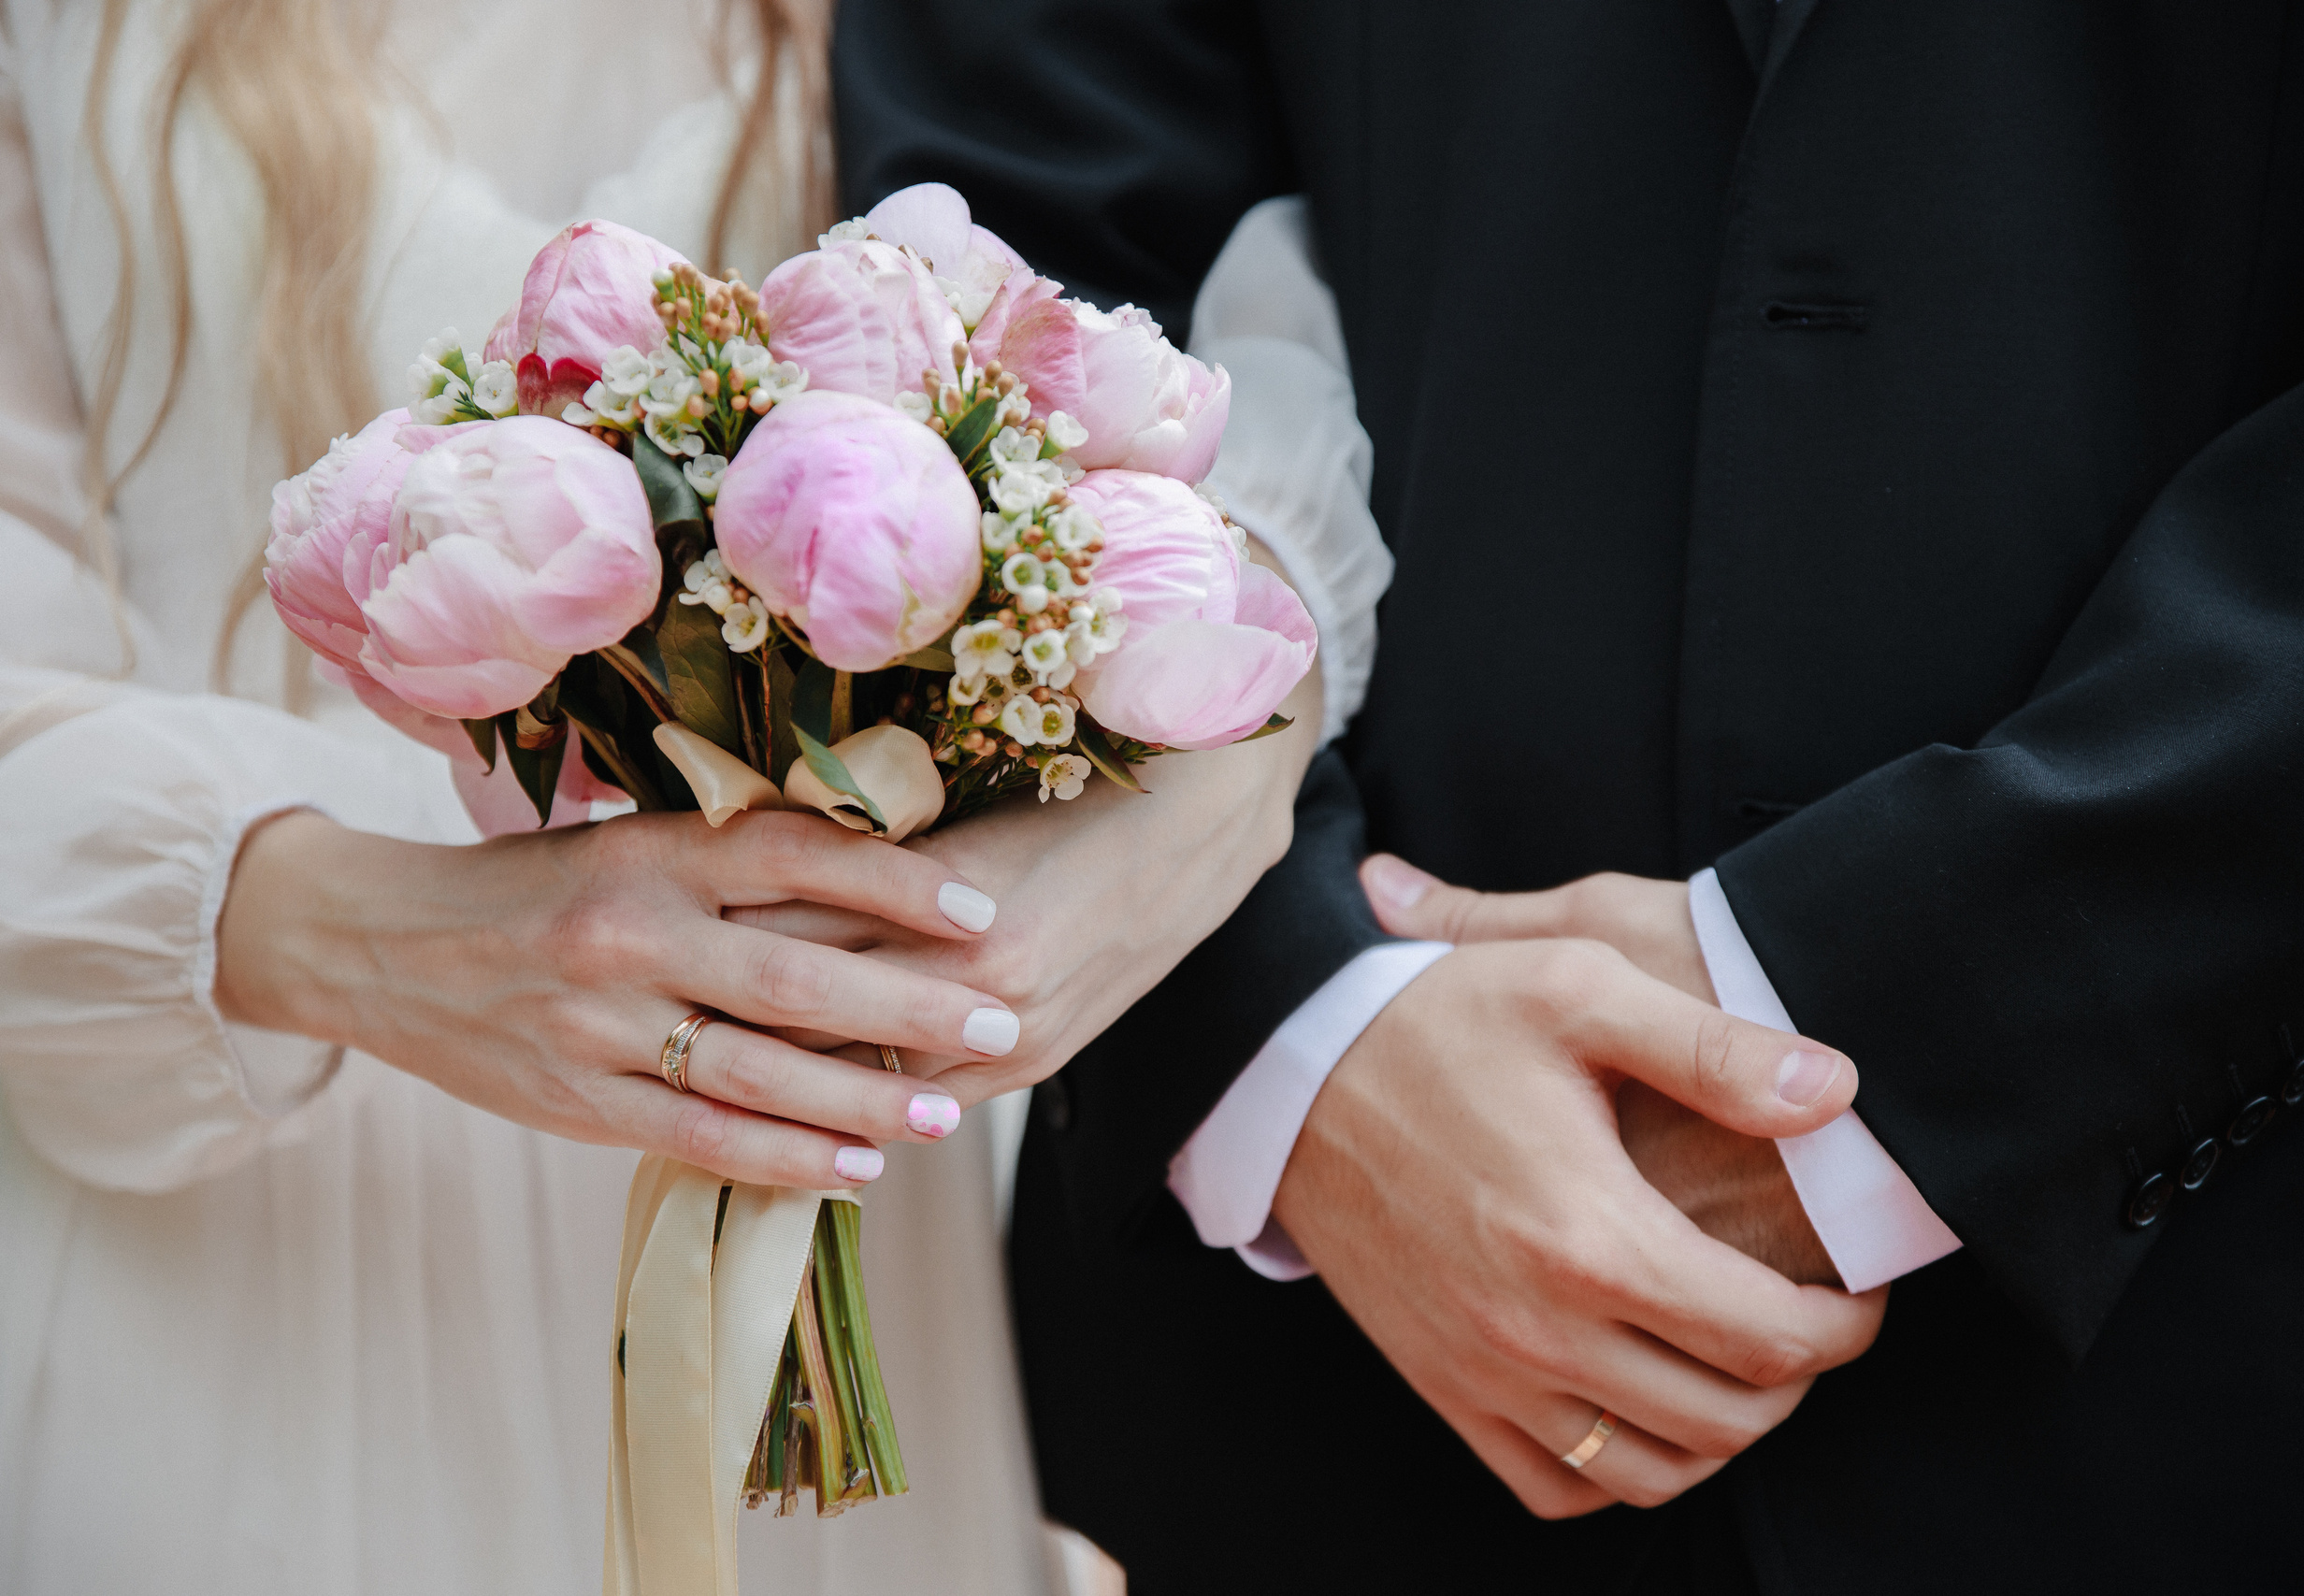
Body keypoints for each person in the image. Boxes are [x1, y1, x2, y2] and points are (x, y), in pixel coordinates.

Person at [835, 1, 2304, 1591]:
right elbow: (1017, 256)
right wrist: (1293, 1025)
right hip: (1348, 1369)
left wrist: (1938, 1015)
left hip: (2209, 1329)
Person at [0, 2, 1368, 1591]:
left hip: (823, 1241)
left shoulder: (957, 41)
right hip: (199, 1258)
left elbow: (1251, 357)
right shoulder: (25, 28)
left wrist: (1222, 766)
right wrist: (375, 933)